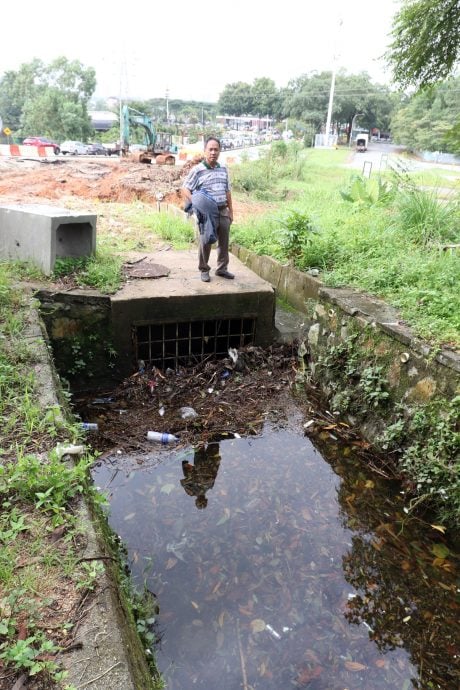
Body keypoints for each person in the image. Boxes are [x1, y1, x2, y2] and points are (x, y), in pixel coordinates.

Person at [182, 137, 234, 283]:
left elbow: (227, 191)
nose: (213, 152)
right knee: (206, 241)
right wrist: (195, 202)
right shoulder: (197, 170)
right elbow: (185, 187)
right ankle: (204, 269)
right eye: (210, 149)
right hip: (207, 213)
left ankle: (222, 269)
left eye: (216, 149)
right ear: (205, 151)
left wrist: (231, 211)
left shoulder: (223, 168)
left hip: (223, 209)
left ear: (220, 151)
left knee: (224, 240)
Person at [180, 442, 221, 509]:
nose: (201, 502)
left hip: (201, 464)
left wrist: (194, 479)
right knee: (214, 441)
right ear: (206, 500)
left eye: (200, 503)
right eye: (203, 502)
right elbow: (214, 473)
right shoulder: (209, 486)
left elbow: (183, 482)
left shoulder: (192, 492)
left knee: (200, 443)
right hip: (208, 463)